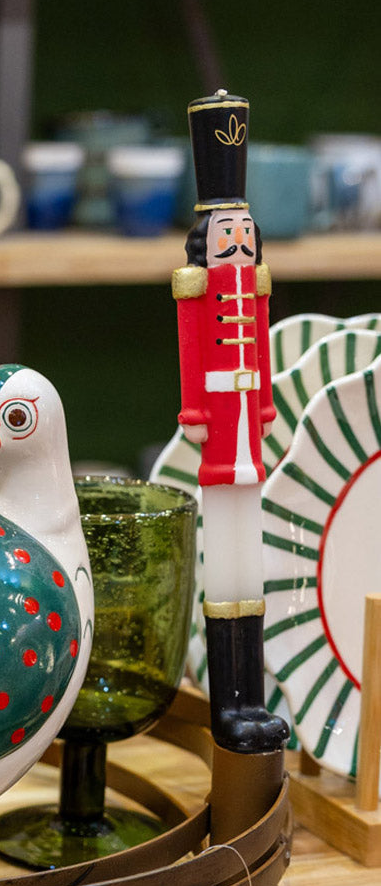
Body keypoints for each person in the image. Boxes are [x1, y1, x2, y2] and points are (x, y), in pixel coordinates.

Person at [172, 90, 288, 754]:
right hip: (219, 435)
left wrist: (265, 407)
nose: (239, 243)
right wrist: (194, 412)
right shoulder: (198, 290)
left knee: (250, 572)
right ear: (204, 244)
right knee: (227, 570)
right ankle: (229, 707)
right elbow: (192, 351)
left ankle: (255, 699)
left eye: (245, 233)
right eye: (227, 235)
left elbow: (261, 348)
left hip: (249, 434)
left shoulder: (255, 288)